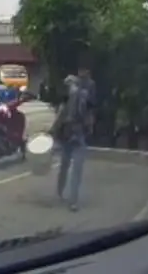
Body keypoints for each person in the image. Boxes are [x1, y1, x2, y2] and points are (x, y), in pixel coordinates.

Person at [49, 68, 94, 212]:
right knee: (76, 168)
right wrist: (89, 127)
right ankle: (72, 201)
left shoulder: (70, 96)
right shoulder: (84, 93)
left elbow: (60, 115)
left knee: (65, 164)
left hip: (67, 134)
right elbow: (88, 113)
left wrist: (53, 131)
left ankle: (61, 193)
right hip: (77, 134)